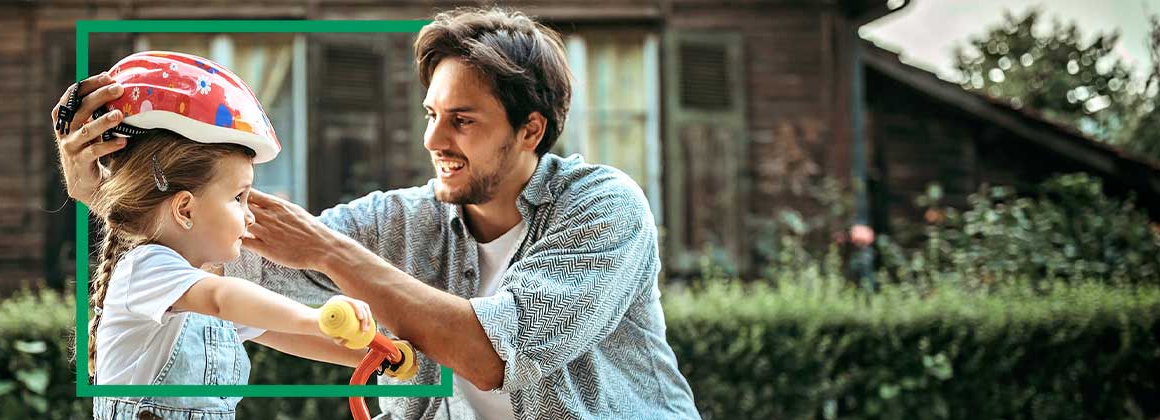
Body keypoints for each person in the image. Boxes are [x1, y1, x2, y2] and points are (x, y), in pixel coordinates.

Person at [56, 8, 703, 419]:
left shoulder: (602, 206)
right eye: (431, 116)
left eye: (463, 120)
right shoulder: (399, 221)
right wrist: (109, 196)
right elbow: (216, 271)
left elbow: (492, 354)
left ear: (530, 130)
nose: (435, 139)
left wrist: (329, 253)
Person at [69, 51, 382, 420]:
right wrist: (318, 318)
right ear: (185, 209)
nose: (250, 214)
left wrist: (376, 353)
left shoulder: (200, 292)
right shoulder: (147, 268)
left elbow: (284, 333)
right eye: (238, 197)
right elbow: (222, 298)